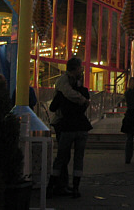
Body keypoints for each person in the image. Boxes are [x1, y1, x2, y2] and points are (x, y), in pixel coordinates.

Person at [47, 66, 92, 198]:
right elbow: (85, 105)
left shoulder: (62, 94)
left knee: (61, 156)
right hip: (82, 126)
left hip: (66, 126)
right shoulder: (83, 92)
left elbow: (53, 107)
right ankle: (76, 188)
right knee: (79, 158)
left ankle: (53, 184)